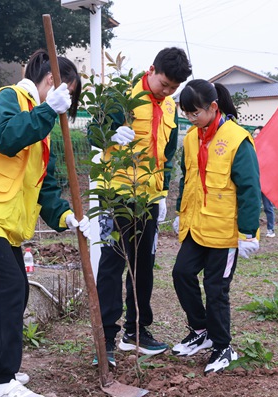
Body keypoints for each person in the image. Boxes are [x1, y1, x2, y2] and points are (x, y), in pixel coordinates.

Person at [0, 49, 89, 397]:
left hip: (0, 220)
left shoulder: (42, 122)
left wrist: (66, 217)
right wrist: (47, 111)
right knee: (7, 291)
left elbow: (45, 184)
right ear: (52, 81)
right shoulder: (8, 98)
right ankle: (3, 384)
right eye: (68, 94)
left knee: (15, 290)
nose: (66, 105)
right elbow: (7, 138)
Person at [91, 47, 192, 366]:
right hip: (116, 194)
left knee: (143, 265)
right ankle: (106, 338)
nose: (167, 91)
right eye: (164, 84)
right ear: (151, 70)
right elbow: (92, 132)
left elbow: (168, 154)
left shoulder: (171, 106)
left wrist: (161, 193)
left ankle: (137, 331)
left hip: (148, 196)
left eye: (173, 87)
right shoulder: (121, 95)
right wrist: (110, 134)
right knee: (112, 263)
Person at [171, 80, 261, 374]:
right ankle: (201, 331)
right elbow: (187, 179)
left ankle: (223, 347)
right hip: (196, 226)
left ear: (212, 107)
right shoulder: (190, 139)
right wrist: (179, 212)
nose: (190, 118)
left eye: (194, 113)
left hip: (225, 232)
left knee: (215, 288)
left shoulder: (237, 139)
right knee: (182, 273)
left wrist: (248, 233)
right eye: (186, 113)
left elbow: (250, 189)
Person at [252, 126, 275, 238]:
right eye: (254, 134)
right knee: (254, 206)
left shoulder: (268, 149)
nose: (255, 136)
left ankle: (271, 229)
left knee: (268, 207)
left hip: (266, 183)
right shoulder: (251, 148)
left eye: (257, 134)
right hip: (254, 182)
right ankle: (253, 229)